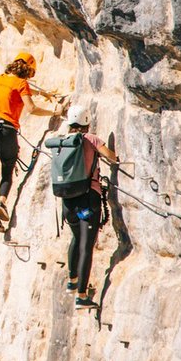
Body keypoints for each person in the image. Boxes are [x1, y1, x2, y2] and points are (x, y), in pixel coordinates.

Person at [0, 51, 57, 227]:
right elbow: (31, 108)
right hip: (7, 131)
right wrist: (54, 112)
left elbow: (19, 88)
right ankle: (2, 202)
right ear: (29, 70)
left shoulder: (0, 78)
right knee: (7, 170)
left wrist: (41, 93)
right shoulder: (22, 84)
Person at [54, 104, 118, 306]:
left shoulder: (61, 142)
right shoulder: (90, 139)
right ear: (86, 122)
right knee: (86, 246)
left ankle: (72, 282)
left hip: (67, 203)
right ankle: (82, 296)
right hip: (87, 201)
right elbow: (111, 157)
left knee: (75, 238)